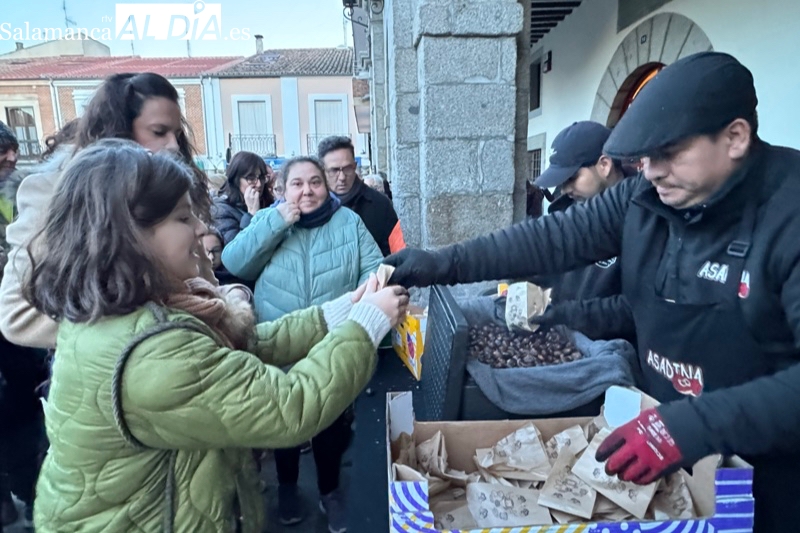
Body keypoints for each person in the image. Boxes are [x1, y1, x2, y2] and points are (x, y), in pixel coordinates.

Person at [385, 52, 799, 532]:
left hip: (770, 467)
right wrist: (444, 263)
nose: (653, 170)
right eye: (643, 159)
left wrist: (689, 426)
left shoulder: (787, 214)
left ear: (735, 137)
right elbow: (553, 239)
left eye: (668, 153)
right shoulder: (645, 194)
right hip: (671, 447)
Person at [25, 139, 409, 533]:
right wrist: (364, 325)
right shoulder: (153, 352)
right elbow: (289, 406)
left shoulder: (133, 310)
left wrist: (342, 311)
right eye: (182, 218)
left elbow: (244, 344)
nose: (201, 229)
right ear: (129, 233)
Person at [222, 157, 383, 532]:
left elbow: (373, 270)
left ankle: (330, 490)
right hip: (277, 340)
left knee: (330, 421)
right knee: (282, 421)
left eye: (315, 182)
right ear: (282, 189)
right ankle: (289, 488)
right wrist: (277, 222)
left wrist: (363, 305)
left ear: (327, 186)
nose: (307, 191)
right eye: (297, 184)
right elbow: (234, 261)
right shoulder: (268, 220)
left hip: (332, 337)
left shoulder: (348, 222)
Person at [0, 72, 211, 350]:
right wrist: (148, 324)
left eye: (177, 134)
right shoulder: (50, 191)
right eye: (159, 132)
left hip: (187, 354)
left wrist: (230, 298)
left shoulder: (171, 190)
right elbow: (18, 317)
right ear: (117, 129)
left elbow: (203, 282)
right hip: (106, 374)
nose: (173, 145)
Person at [530, 121, 634, 341]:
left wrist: (570, 316)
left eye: (572, 178)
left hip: (612, 354)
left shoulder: (642, 218)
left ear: (604, 165)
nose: (566, 189)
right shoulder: (565, 207)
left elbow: (635, 309)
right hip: (559, 337)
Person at [318, 136, 402, 256]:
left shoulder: (380, 204)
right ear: (322, 170)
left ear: (354, 166)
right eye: (334, 170)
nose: (342, 177)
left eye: (347, 169)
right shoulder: (313, 208)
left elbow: (395, 253)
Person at [211, 151, 273, 245]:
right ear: (236, 180)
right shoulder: (221, 210)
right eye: (251, 178)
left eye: (261, 177)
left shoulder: (267, 202)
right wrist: (251, 214)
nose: (259, 184)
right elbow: (236, 252)